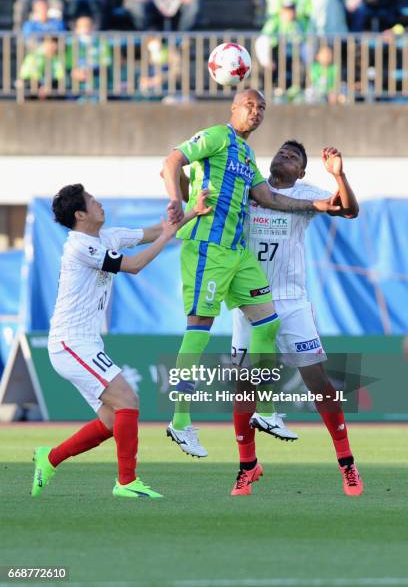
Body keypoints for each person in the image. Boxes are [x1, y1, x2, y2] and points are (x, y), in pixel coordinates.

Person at [162, 88, 341, 458]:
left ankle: (265, 410)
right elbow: (171, 161)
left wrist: (315, 204)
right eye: (249, 105)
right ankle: (179, 422)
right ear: (234, 108)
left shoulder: (246, 155)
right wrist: (178, 201)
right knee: (199, 328)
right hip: (208, 247)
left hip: (238, 254)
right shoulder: (214, 136)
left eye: (261, 107)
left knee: (268, 322)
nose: (256, 112)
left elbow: (269, 197)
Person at [31, 183, 210, 499]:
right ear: (80, 214)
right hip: (71, 343)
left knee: (113, 419)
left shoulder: (107, 236)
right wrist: (169, 236)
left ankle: (51, 457)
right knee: (128, 400)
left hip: (85, 344)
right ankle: (126, 482)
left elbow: (157, 231)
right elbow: (134, 266)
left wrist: (193, 211)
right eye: (92, 201)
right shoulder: (79, 246)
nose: (98, 203)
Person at [230, 141, 363, 497]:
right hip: (250, 302)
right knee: (245, 387)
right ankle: (247, 467)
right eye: (281, 153)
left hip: (291, 302)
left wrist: (339, 175)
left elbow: (349, 211)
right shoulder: (251, 189)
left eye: (294, 157)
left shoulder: (307, 194)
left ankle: (347, 463)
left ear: (302, 172)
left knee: (317, 381)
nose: (284, 157)